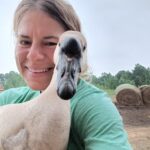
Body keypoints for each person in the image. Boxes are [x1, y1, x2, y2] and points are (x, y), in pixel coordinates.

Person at [0, 0, 132, 149]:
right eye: (24, 42)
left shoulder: (94, 108)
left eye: (50, 43)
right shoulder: (8, 99)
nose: (34, 55)